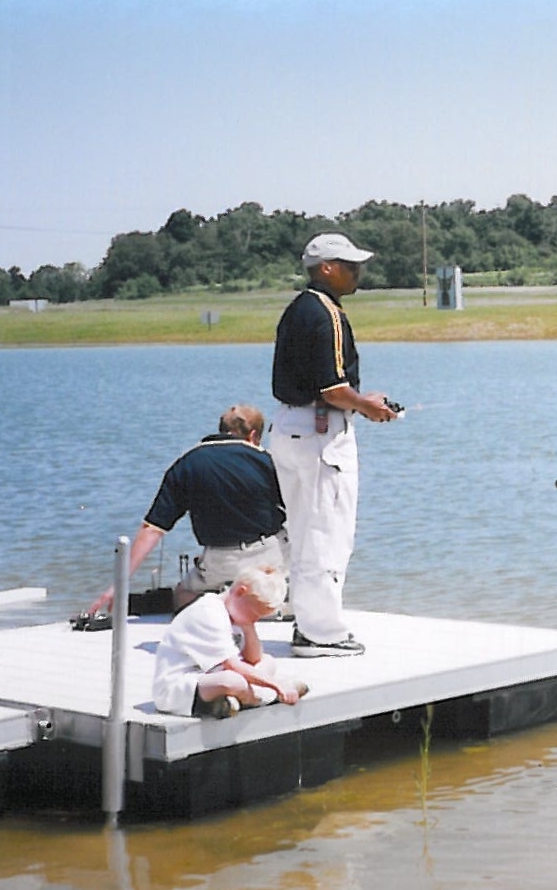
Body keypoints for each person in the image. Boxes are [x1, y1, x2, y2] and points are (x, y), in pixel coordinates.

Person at [268, 232, 399, 657]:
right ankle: (321, 632)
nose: (357, 271)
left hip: (290, 426)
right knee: (327, 531)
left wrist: (358, 402)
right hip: (320, 432)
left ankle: (308, 621)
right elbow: (332, 387)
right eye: (349, 264)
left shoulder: (299, 308)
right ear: (326, 268)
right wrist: (368, 406)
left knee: (305, 531)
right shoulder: (326, 314)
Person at [87, 405, 286, 618]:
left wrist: (117, 584)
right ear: (253, 435)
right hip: (270, 556)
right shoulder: (269, 461)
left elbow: (152, 529)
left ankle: (220, 602)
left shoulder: (187, 463)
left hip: (219, 561)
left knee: (183, 595)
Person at [151, 566, 306, 719]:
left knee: (268, 661)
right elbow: (231, 665)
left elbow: (254, 659)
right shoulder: (209, 612)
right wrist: (276, 684)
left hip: (211, 676)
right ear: (240, 592)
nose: (254, 620)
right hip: (178, 687)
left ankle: (229, 701)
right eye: (254, 614)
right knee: (233, 681)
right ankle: (264, 697)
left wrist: (248, 626)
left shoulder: (237, 611)